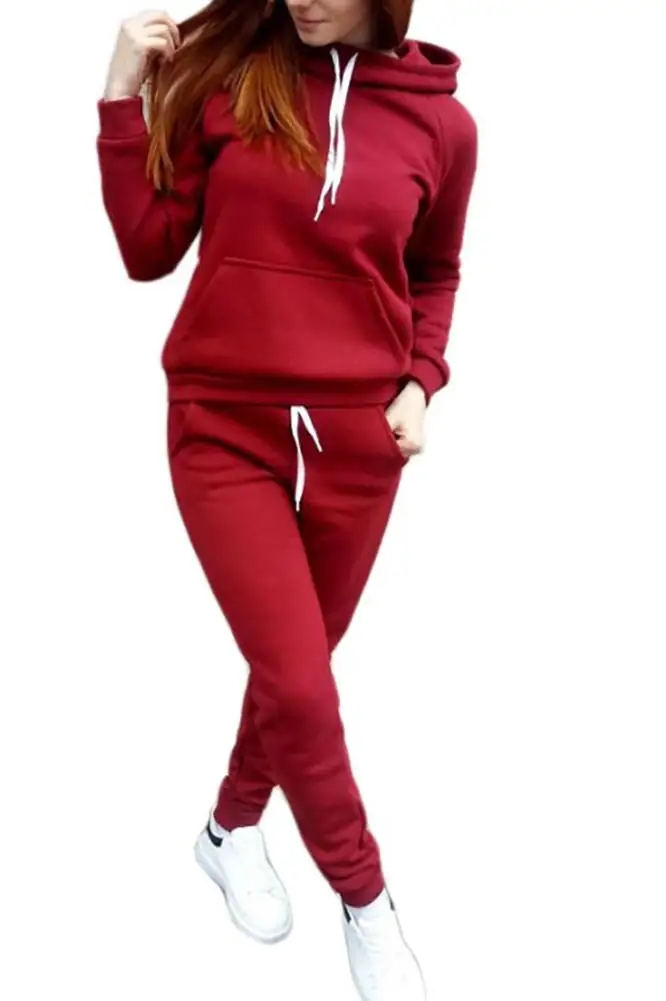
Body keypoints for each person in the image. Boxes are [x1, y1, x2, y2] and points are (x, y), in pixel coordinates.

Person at [96, 1, 478, 997]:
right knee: (302, 686)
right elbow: (145, 249)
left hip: (359, 443)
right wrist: (120, 96)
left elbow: (434, 271)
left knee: (288, 675)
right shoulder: (233, 80)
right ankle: (367, 898)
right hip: (223, 426)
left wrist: (419, 379)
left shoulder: (443, 124)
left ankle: (228, 827)